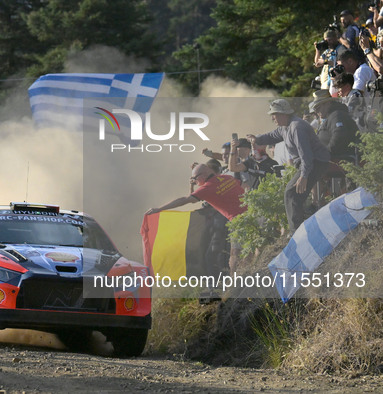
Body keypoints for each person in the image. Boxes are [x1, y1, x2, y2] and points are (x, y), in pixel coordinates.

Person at [246, 99, 331, 233]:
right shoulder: (285, 127)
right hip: (308, 163)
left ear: (283, 114)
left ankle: (296, 232)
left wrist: (303, 176)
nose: (272, 118)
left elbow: (306, 156)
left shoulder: (297, 127)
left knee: (291, 193)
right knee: (294, 194)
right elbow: (272, 136)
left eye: (274, 114)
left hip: (316, 162)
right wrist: (257, 139)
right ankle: (302, 226)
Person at [146, 163, 246, 273]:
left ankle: (235, 284)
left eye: (194, 179)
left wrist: (159, 209)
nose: (194, 181)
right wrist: (192, 185)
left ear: (202, 176)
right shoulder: (228, 177)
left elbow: (185, 200)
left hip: (239, 221)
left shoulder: (207, 188)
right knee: (256, 245)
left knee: (235, 254)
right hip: (254, 212)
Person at [310, 90, 359, 159]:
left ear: (328, 103)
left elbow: (339, 136)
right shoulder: (333, 116)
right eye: (315, 109)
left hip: (339, 162)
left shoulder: (337, 116)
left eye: (318, 107)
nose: (316, 111)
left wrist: (325, 154)